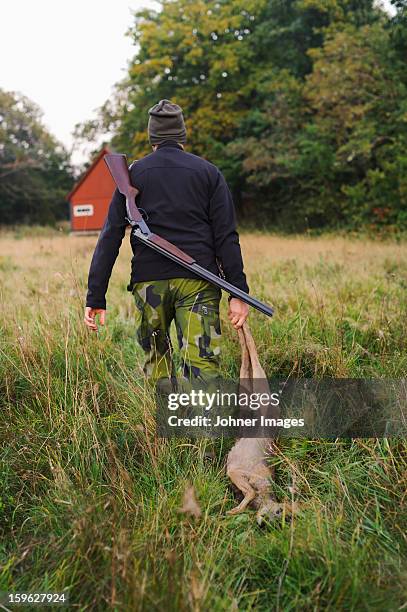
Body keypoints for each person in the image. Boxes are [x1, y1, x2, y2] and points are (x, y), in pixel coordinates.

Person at [84, 99, 249, 382]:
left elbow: (110, 236)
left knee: (157, 364)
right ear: (182, 134)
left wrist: (95, 296)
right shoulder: (209, 173)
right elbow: (226, 237)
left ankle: (166, 425)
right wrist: (238, 292)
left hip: (150, 283)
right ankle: (204, 426)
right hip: (199, 281)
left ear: (152, 138)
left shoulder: (133, 175)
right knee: (203, 367)